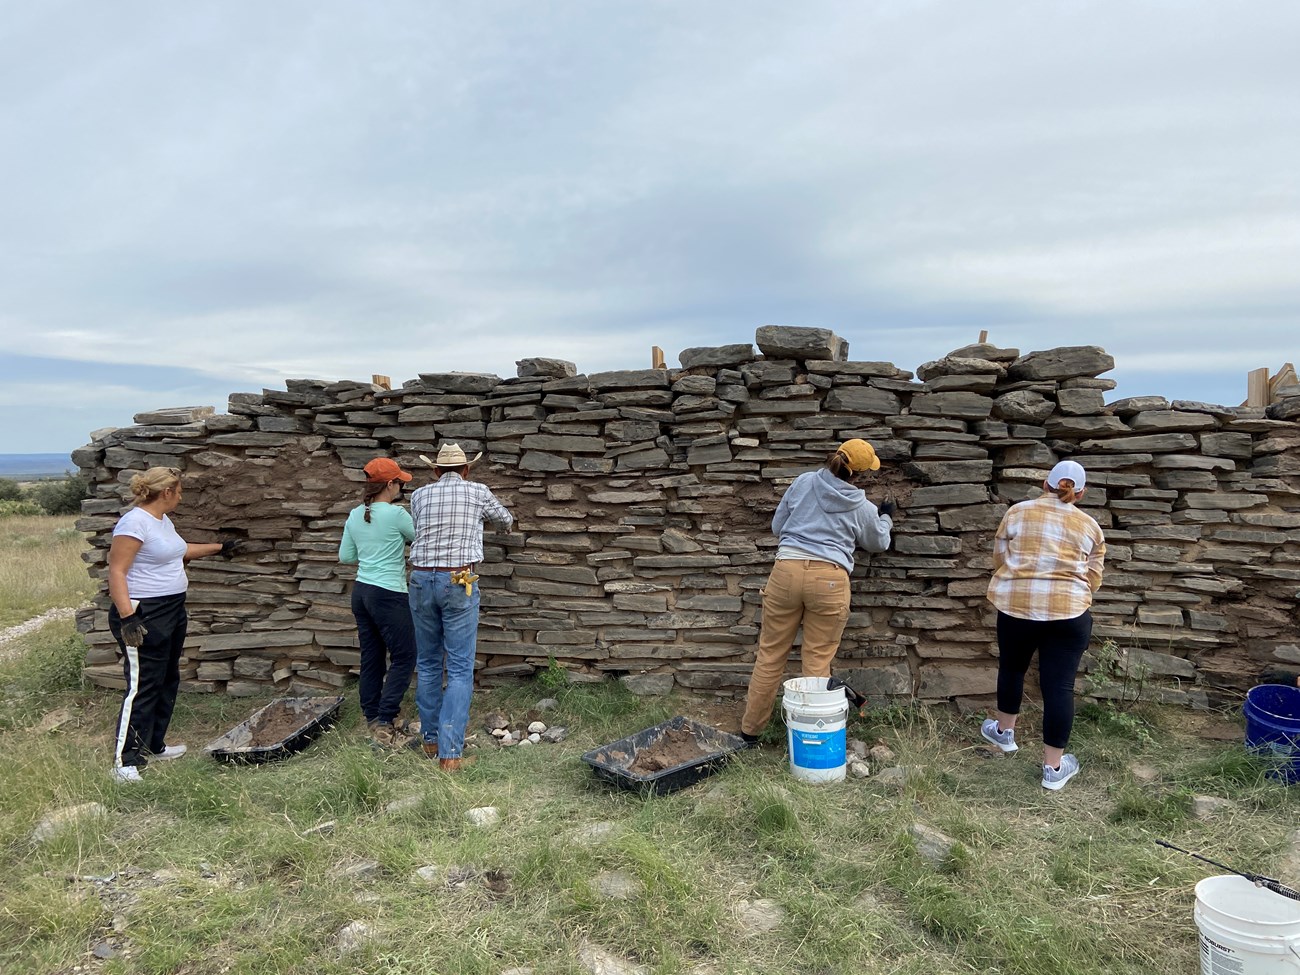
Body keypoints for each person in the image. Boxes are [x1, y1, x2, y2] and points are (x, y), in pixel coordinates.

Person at [739, 439, 894, 744]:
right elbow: (878, 543)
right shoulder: (862, 506)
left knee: (770, 656)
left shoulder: (804, 482)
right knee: (816, 662)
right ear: (860, 475)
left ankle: (749, 732)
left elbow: (777, 526)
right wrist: (886, 517)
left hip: (786, 571)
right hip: (830, 579)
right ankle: (813, 735)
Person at [107, 467, 239, 783]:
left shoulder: (161, 521)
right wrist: (128, 619)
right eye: (179, 492)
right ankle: (125, 762)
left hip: (171, 609)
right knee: (143, 685)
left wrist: (220, 548)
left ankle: (154, 745)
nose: (181, 497)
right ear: (166, 492)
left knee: (167, 679)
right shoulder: (134, 522)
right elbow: (116, 571)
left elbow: (176, 553)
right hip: (144, 613)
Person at [982, 459, 1106, 791]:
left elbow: (1000, 556)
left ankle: (1005, 733)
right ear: (1081, 493)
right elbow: (1094, 576)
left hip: (1017, 606)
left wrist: (1022, 580)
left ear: (1045, 485)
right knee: (1059, 687)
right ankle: (1053, 769)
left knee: (1012, 668)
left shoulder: (1017, 513)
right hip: (1070, 612)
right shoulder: (1090, 526)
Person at [408, 442, 513, 771]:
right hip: (458, 579)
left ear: (436, 471)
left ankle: (431, 741)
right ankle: (450, 756)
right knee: (458, 668)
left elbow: (420, 528)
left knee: (427, 664)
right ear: (466, 470)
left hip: (421, 579)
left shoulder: (419, 495)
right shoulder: (478, 491)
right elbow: (505, 520)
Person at [339, 457, 418, 750]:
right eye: (400, 482)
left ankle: (372, 714)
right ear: (389, 484)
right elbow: (418, 538)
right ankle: (386, 717)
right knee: (406, 655)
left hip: (361, 592)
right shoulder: (396, 514)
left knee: (371, 656)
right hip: (388, 593)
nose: (401, 487)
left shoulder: (355, 514)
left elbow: (346, 557)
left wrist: (370, 550)